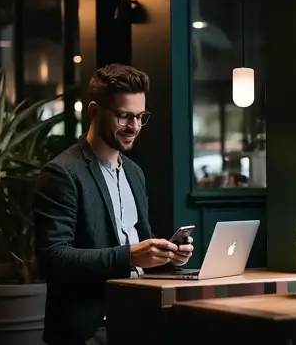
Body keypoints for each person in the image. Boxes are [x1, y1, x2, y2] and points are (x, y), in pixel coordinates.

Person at [33, 63, 194, 345]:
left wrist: (166, 255)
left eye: (140, 117)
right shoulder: (62, 174)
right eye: (123, 116)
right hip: (87, 329)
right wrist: (130, 255)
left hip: (140, 315)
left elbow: (138, 245)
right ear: (94, 111)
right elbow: (53, 259)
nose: (134, 127)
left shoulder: (134, 172)